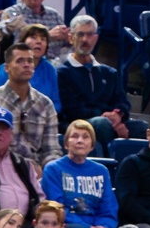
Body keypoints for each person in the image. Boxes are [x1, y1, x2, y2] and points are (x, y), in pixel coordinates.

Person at [0, 42, 61, 174]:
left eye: (30, 61)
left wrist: (49, 170)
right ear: (7, 68)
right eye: (20, 61)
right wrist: (23, 166)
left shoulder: (45, 104)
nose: (26, 65)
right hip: (0, 169)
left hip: (38, 173)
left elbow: (51, 149)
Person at [41, 120, 118, 228]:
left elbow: (108, 208)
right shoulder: (53, 169)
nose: (80, 140)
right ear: (66, 143)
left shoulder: (101, 171)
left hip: (96, 227)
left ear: (92, 145)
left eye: (85, 137)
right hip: (66, 226)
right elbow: (57, 209)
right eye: (75, 136)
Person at [56, 14, 130, 147]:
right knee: (102, 124)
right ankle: (110, 166)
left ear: (96, 38)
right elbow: (72, 109)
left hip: (106, 121)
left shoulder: (110, 73)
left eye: (90, 35)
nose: (85, 39)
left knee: (140, 127)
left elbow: (122, 101)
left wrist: (118, 114)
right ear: (70, 38)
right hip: (76, 122)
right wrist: (107, 117)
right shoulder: (62, 72)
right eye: (80, 34)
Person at [0, 0, 69, 59]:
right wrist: (47, 36)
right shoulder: (12, 12)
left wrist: (68, 37)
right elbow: (2, 40)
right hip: (22, 64)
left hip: (53, 67)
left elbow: (67, 45)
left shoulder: (54, 15)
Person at [0, 24, 60, 111]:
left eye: (43, 39)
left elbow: (56, 103)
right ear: (22, 43)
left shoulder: (50, 70)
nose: (39, 42)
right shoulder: (8, 68)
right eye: (34, 38)